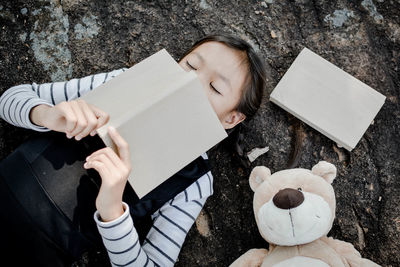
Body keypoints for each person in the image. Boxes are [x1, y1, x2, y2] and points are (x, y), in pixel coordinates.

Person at [0, 33, 266, 266]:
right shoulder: (123, 81)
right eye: (190, 65)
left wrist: (112, 210)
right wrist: (46, 116)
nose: (191, 81)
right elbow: (11, 98)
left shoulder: (194, 181)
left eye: (215, 88)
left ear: (232, 118)